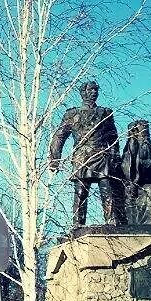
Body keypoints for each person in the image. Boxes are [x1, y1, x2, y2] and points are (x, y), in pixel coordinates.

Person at [47, 80, 128, 227]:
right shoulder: (71, 114)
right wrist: (54, 159)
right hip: (81, 158)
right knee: (80, 193)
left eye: (96, 90)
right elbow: (59, 136)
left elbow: (113, 138)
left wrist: (115, 159)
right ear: (83, 92)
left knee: (106, 190)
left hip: (102, 157)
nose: (94, 92)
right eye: (90, 90)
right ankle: (77, 224)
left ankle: (111, 222)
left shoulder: (105, 113)